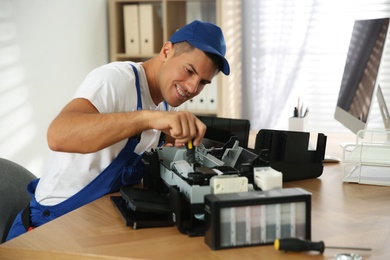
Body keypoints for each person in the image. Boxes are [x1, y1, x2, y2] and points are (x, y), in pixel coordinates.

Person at [6, 20, 230, 241]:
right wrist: (147, 118)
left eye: (203, 82)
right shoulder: (116, 80)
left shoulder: (166, 102)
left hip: (96, 223)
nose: (192, 88)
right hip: (48, 228)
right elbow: (57, 135)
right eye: (189, 71)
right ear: (166, 51)